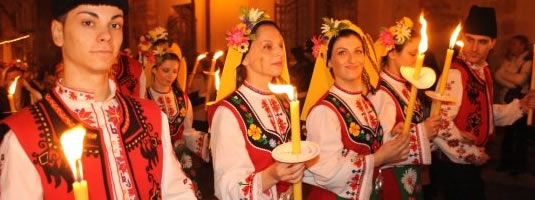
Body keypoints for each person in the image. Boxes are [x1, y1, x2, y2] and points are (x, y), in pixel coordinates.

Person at [0, 1, 196, 199]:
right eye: (88, 22)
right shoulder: (24, 136)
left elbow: (178, 193)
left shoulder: (151, 116)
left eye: (115, 24)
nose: (106, 35)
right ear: (58, 32)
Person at [432, 6, 535, 200]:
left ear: (492, 43)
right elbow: (439, 123)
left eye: (482, 42)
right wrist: (473, 154)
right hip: (453, 163)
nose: (474, 47)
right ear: (463, 37)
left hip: (467, 165)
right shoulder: (455, 74)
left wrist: (521, 105)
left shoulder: (483, 71)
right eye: (470, 39)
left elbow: (484, 112)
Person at [300, 18, 410, 200]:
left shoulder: (364, 102)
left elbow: (367, 146)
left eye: (358, 51)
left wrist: (391, 137)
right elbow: (326, 170)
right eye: (342, 53)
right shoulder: (324, 111)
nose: (352, 59)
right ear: (328, 62)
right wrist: (378, 159)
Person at [207, 8, 304, 200]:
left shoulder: (285, 102)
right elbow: (227, 185)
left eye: (280, 45)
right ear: (244, 57)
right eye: (267, 47)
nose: (279, 52)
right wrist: (271, 175)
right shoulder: (229, 113)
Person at [368, 17, 440, 199]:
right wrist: (423, 132)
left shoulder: (404, 86)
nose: (419, 61)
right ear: (392, 52)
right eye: (412, 54)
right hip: (391, 178)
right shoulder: (381, 93)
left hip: (408, 175)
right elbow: (381, 145)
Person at [145, 40, 210, 199]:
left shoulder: (182, 98)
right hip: (156, 158)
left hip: (182, 160)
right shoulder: (144, 98)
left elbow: (188, 131)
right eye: (166, 70)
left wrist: (206, 141)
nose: (171, 76)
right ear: (154, 69)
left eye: (175, 71)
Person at [495, 35, 533, 175]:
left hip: (522, 103)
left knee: (520, 135)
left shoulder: (528, 62)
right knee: (508, 135)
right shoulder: (508, 60)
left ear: (523, 46)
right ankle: (506, 162)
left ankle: (518, 165)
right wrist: (512, 80)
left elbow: (521, 80)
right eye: (511, 44)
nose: (512, 47)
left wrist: (506, 77)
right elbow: (497, 75)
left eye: (515, 44)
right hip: (507, 100)